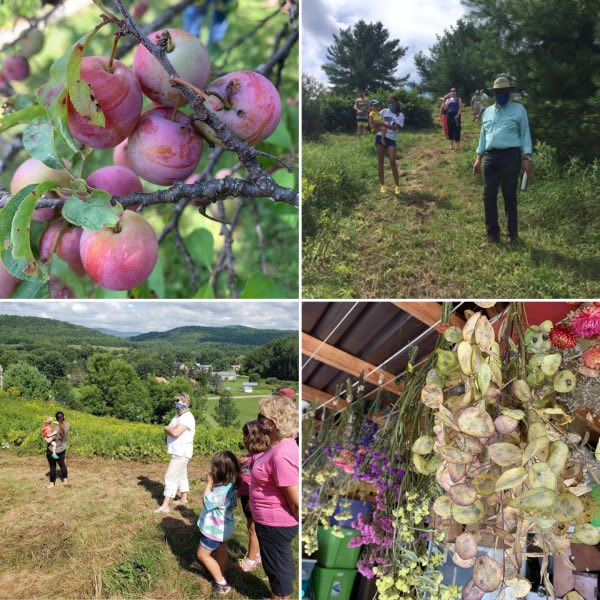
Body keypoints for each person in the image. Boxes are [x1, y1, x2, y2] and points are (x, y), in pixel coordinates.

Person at [473, 76, 533, 244]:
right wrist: (478, 158)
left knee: (509, 195)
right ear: (494, 93)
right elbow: (483, 137)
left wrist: (527, 156)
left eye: (504, 91)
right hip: (490, 158)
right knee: (488, 195)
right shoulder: (488, 112)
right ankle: (492, 234)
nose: (501, 94)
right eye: (498, 91)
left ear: (509, 92)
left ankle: (512, 234)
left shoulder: (519, 110)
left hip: (510, 157)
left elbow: (525, 133)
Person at [251, 395, 299, 600]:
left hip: (275, 523)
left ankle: (279, 597)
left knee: (278, 569)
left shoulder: (281, 454)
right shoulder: (281, 444)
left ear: (270, 422)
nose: (257, 420)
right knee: (277, 564)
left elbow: (296, 501)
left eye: (260, 417)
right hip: (271, 521)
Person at [196, 451, 240, 595]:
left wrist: (209, 484)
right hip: (225, 527)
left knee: (203, 555)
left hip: (213, 530)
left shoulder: (220, 491)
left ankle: (221, 583)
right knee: (221, 549)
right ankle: (220, 572)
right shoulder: (232, 485)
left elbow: (207, 502)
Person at [237, 420, 271, 572]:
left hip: (253, 499)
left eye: (245, 435)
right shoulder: (252, 456)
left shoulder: (261, 458)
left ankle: (250, 561)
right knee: (251, 527)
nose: (243, 439)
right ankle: (256, 553)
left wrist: (253, 500)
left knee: (253, 529)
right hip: (246, 496)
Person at [155, 393, 196, 513]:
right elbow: (170, 427)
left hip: (181, 452)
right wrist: (169, 429)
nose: (176, 404)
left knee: (170, 476)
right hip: (178, 451)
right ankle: (183, 499)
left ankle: (165, 505)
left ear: (186, 403)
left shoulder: (187, 417)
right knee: (182, 475)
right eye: (176, 402)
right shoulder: (178, 416)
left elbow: (174, 432)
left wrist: (167, 429)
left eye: (179, 402)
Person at [374, 95, 405, 196]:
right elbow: (375, 120)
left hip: (391, 138)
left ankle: (397, 185)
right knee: (380, 161)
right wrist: (376, 125)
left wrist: (382, 124)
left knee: (392, 161)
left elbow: (394, 128)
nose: (390, 104)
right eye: (388, 102)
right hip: (380, 136)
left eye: (392, 102)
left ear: (396, 103)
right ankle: (382, 185)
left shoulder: (400, 115)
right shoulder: (383, 111)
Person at [47, 411, 70, 488]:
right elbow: (63, 423)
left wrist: (45, 436)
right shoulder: (67, 425)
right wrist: (58, 422)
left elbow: (49, 440)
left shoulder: (55, 429)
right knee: (62, 465)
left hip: (52, 450)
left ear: (56, 419)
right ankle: (65, 480)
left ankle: (51, 483)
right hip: (62, 449)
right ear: (63, 417)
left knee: (52, 467)